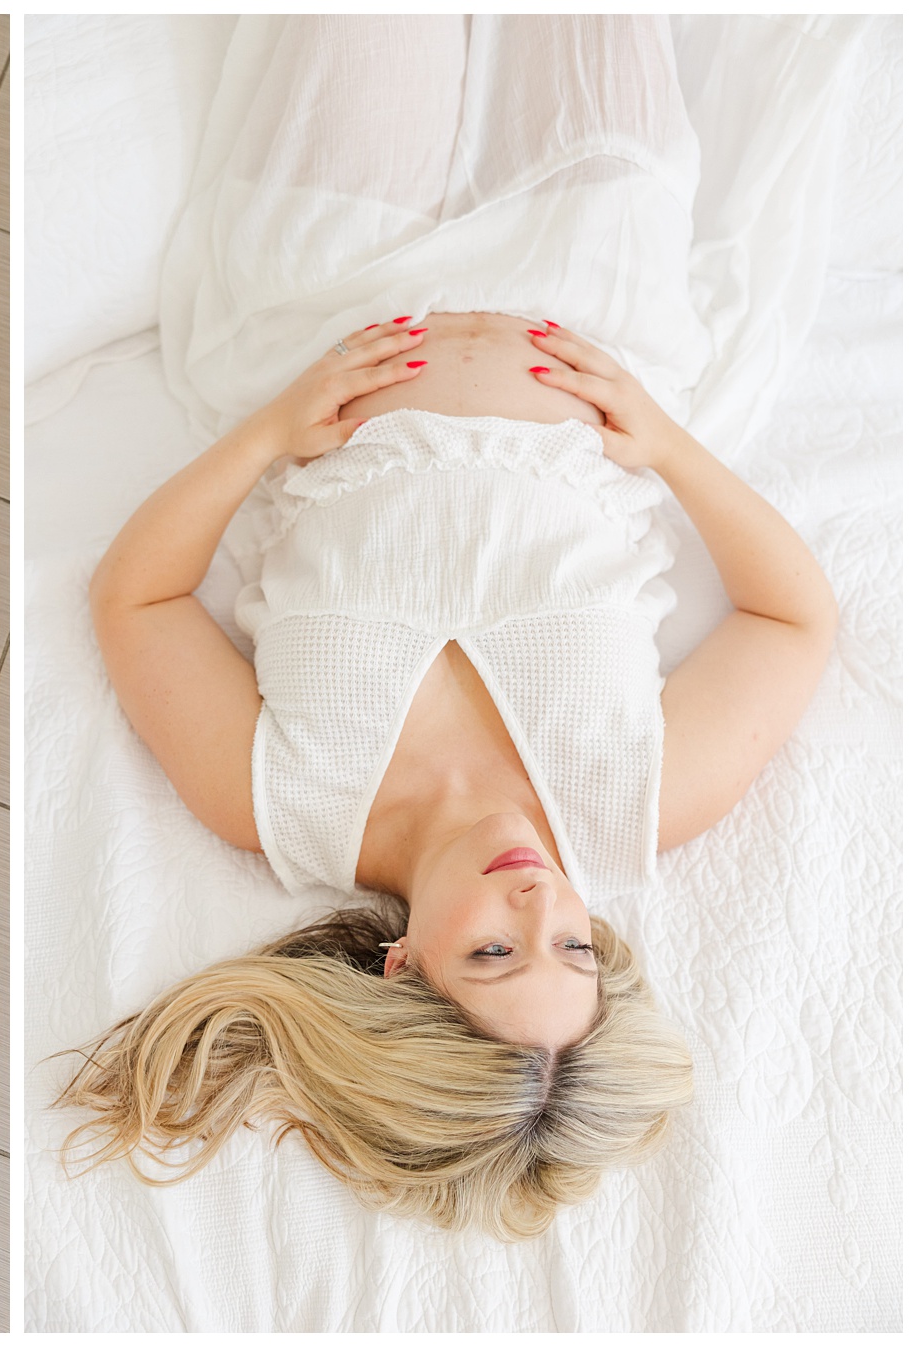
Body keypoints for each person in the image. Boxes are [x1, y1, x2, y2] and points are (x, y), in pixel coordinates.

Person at [59, 312, 838, 1239]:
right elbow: (793, 620)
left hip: (329, 302)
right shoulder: (639, 804)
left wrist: (268, 432)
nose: (540, 904)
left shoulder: (279, 802)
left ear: (400, 969)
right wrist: (666, 443)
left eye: (495, 953)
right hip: (597, 303)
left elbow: (135, 596)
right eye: (576, 948)